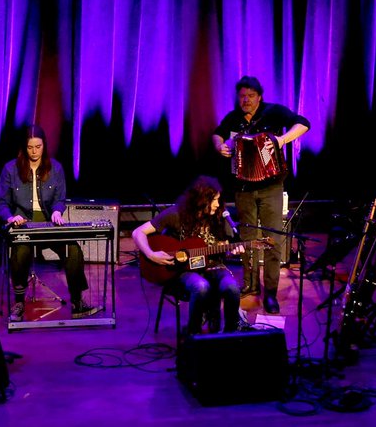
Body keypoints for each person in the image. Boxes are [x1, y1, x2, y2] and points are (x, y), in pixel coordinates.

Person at [213, 75, 310, 314]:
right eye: (242, 96)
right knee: (247, 240)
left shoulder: (273, 112)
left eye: (250, 96)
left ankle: (271, 293)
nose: (245, 100)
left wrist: (281, 140)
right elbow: (218, 133)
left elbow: (304, 123)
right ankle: (251, 285)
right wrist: (220, 145)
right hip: (243, 187)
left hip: (271, 187)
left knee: (273, 241)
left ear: (260, 96)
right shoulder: (233, 117)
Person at [0, 125, 99, 321]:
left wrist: (58, 211)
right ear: (24, 147)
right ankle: (18, 302)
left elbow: (60, 198)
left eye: (38, 146)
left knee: (72, 249)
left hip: (48, 223)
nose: (34, 151)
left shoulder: (55, 168)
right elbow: (0, 202)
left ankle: (78, 302)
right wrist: (10, 217)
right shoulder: (11, 169)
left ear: (44, 146)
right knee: (20, 251)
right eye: (30, 147)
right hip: (23, 224)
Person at [133, 175, 244, 336]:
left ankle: (230, 336)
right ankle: (194, 335)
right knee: (201, 286)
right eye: (214, 200)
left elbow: (225, 247)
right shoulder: (176, 214)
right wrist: (151, 254)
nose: (217, 204)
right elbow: (138, 232)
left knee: (232, 288)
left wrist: (232, 251)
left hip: (213, 267)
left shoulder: (219, 216)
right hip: (184, 270)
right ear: (202, 200)